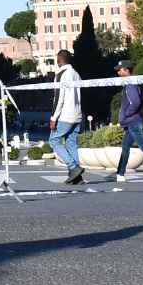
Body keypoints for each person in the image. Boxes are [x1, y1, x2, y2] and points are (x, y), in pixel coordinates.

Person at [48, 49, 85, 185]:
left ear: (59, 60)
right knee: (71, 143)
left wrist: (53, 117)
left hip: (65, 115)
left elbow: (59, 98)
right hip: (77, 114)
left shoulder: (61, 74)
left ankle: (73, 167)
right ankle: (77, 177)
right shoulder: (76, 74)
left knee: (54, 141)